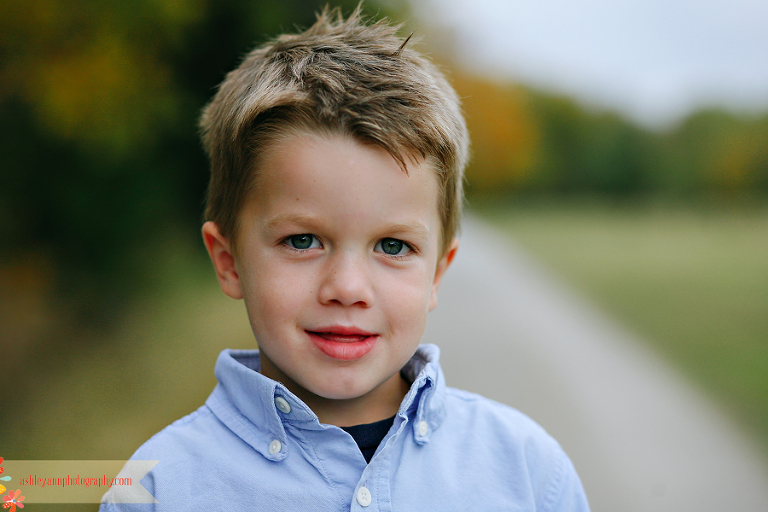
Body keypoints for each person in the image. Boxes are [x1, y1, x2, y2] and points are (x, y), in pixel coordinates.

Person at [101, 6, 590, 511]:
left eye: (393, 247)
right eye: (302, 241)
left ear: (438, 273)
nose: (348, 287)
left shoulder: (529, 471)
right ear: (229, 262)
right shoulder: (157, 491)